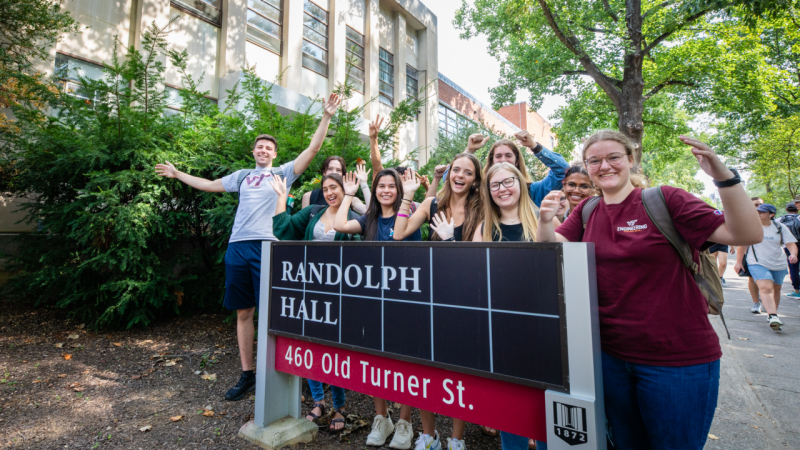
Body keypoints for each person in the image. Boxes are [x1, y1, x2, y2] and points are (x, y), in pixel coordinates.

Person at [537, 131, 761, 449]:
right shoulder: (587, 210)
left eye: (613, 157)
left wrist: (723, 178)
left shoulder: (665, 199)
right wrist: (545, 221)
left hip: (677, 364)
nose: (605, 166)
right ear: (587, 168)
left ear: (630, 159)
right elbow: (551, 251)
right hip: (610, 359)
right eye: (594, 160)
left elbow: (747, 233)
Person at [155, 93, 341, 401]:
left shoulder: (282, 174)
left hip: (269, 248)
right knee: (244, 311)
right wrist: (177, 174)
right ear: (253, 151)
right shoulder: (241, 177)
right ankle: (247, 374)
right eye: (259, 146)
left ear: (274, 153)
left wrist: (326, 116)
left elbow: (313, 149)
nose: (264, 150)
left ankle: (279, 371)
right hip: (238, 247)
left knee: (273, 312)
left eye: (269, 147)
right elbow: (207, 184)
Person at [391, 153, 484, 450]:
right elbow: (398, 234)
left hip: (466, 296)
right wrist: (407, 196)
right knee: (424, 364)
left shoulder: (482, 208)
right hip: (431, 293)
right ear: (448, 174)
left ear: (475, 179)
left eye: (467, 172)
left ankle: (457, 438)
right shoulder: (432, 204)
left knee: (458, 369)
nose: (460, 175)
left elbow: (479, 259)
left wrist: (449, 240)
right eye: (456, 169)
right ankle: (428, 435)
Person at [334, 168, 422, 449]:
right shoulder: (367, 219)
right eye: (380, 186)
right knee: (376, 359)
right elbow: (338, 225)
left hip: (407, 299)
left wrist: (411, 194)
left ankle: (405, 423)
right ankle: (381, 419)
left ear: (399, 189)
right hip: (374, 299)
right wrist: (348, 194)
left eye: (391, 186)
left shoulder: (411, 212)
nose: (386, 190)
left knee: (407, 361)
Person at [270, 172, 360, 431]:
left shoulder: (354, 218)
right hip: (310, 289)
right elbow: (282, 229)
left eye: (335, 188)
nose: (330, 192)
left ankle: (340, 406)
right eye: (326, 188)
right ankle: (319, 402)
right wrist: (280, 197)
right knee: (311, 345)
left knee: (335, 348)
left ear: (346, 190)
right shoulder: (313, 212)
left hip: (340, 292)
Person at [471, 162, 544, 450]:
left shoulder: (544, 220)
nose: (502, 189)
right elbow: (476, 282)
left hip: (542, 330)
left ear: (521, 182)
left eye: (508, 182)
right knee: (510, 412)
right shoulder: (484, 228)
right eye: (495, 185)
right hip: (502, 332)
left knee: (545, 414)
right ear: (488, 192)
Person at [428, 130, 569, 208]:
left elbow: (563, 170)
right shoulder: (481, 190)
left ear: (517, 162)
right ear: (491, 161)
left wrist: (534, 146)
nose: (503, 160)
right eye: (498, 156)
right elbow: (449, 177)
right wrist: (469, 150)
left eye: (508, 155)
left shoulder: (534, 190)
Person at [734, 203, 798, 330]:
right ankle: (773, 315)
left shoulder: (780, 227)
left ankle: (772, 314)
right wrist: (739, 262)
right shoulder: (751, 227)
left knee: (776, 289)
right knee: (766, 288)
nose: (758, 213)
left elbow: (790, 244)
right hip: (757, 262)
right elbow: (743, 245)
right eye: (757, 211)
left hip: (778, 263)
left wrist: (794, 254)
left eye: (762, 212)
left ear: (771, 214)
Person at [301, 156, 370, 214]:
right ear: (324, 172)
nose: (334, 172)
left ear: (343, 174)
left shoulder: (351, 198)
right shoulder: (309, 196)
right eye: (330, 169)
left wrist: (364, 184)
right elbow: (303, 224)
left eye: (338, 170)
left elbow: (370, 212)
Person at [779, 201, 800, 298]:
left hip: (788, 247)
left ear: (786, 209)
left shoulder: (781, 220)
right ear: (797, 209)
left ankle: (796, 291)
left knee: (793, 268)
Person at [749, 197, 766, 313]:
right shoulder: (747, 220)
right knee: (752, 279)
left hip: (770, 256)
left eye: (760, 204)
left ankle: (767, 301)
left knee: (770, 282)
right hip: (752, 256)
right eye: (755, 205)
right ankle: (756, 303)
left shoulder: (776, 223)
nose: (758, 207)